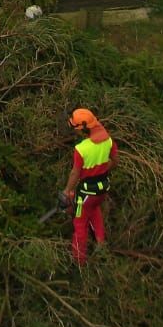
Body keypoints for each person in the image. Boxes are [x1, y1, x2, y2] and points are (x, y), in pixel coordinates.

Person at [62, 107, 115, 267]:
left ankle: (79, 262)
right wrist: (100, 171)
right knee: (95, 211)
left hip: (86, 193)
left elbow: (75, 173)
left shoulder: (82, 149)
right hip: (102, 189)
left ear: (82, 129)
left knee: (80, 223)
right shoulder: (108, 141)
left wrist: (67, 191)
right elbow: (114, 161)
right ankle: (101, 245)